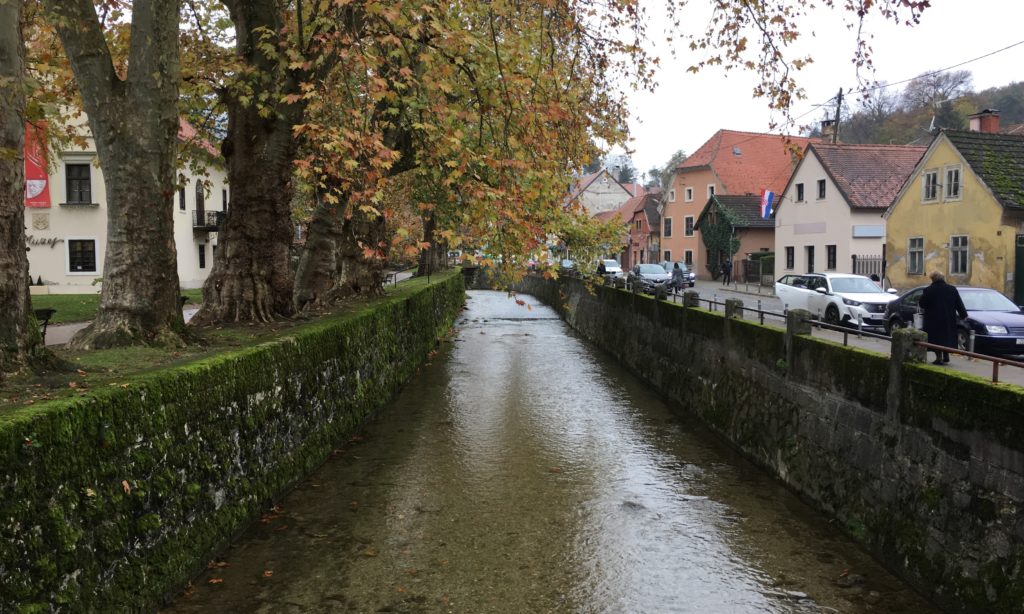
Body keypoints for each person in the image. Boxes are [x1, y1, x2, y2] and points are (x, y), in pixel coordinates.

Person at [918, 271, 968, 365]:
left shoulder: (929, 290)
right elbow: (959, 304)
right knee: (946, 337)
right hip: (948, 318)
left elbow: (922, 303)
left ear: (932, 279)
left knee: (936, 338)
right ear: (943, 278)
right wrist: (963, 315)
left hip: (934, 319)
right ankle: (946, 355)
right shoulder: (952, 289)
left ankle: (939, 358)